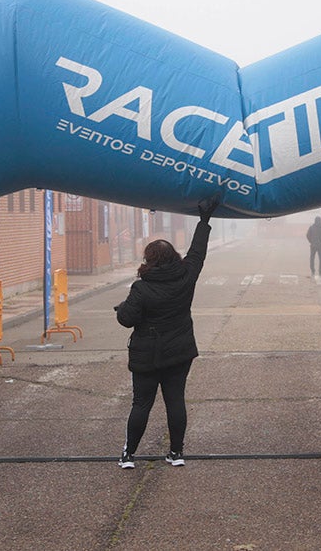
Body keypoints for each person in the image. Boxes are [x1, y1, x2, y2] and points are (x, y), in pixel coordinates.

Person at [114, 197, 218, 469]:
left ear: (148, 260)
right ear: (174, 257)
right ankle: (176, 453)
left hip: (146, 356)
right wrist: (204, 221)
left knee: (141, 404)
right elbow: (198, 253)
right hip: (178, 352)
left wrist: (122, 307)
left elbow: (126, 319)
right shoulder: (186, 276)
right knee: (175, 401)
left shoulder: (141, 288)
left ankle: (128, 456)